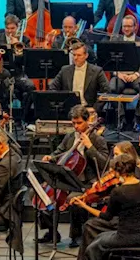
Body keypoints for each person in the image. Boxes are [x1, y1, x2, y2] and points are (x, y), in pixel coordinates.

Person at [71, 154, 140, 260]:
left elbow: (106, 216)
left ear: (119, 172)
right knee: (100, 238)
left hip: (125, 237)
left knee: (92, 249)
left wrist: (84, 205)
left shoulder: (118, 192)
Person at [38, 104, 108, 247]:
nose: (76, 126)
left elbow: (104, 163)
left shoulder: (97, 140)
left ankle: (76, 235)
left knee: (74, 199)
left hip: (86, 182)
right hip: (67, 179)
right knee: (40, 194)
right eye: (73, 123)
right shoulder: (69, 137)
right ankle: (52, 232)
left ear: (87, 121)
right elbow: (59, 151)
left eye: (79, 123)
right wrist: (50, 157)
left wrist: (90, 147)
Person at [48, 42, 109, 109]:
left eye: (79, 55)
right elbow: (52, 88)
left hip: (87, 109)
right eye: (74, 55)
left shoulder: (97, 71)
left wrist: (95, 108)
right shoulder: (64, 70)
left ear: (86, 56)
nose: (75, 58)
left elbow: (106, 91)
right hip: (68, 109)